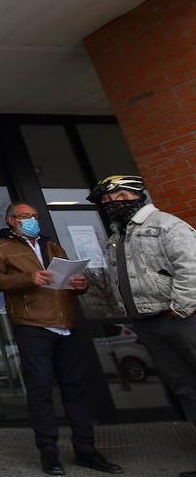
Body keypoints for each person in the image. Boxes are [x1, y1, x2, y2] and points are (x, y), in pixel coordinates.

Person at [0, 203, 122, 475]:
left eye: (35, 216)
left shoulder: (52, 246)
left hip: (67, 323)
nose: (32, 220)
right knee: (41, 388)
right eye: (25, 217)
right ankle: (49, 452)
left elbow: (70, 275)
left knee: (76, 389)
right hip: (32, 324)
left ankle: (86, 449)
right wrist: (28, 277)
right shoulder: (0, 247)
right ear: (11, 220)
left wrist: (83, 284)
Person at [91, 174, 196, 476]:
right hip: (147, 322)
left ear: (136, 195)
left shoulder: (165, 224)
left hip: (180, 318)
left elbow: (191, 265)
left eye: (117, 197)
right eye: (106, 201)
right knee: (185, 388)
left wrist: (181, 306)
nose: (111, 204)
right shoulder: (117, 236)